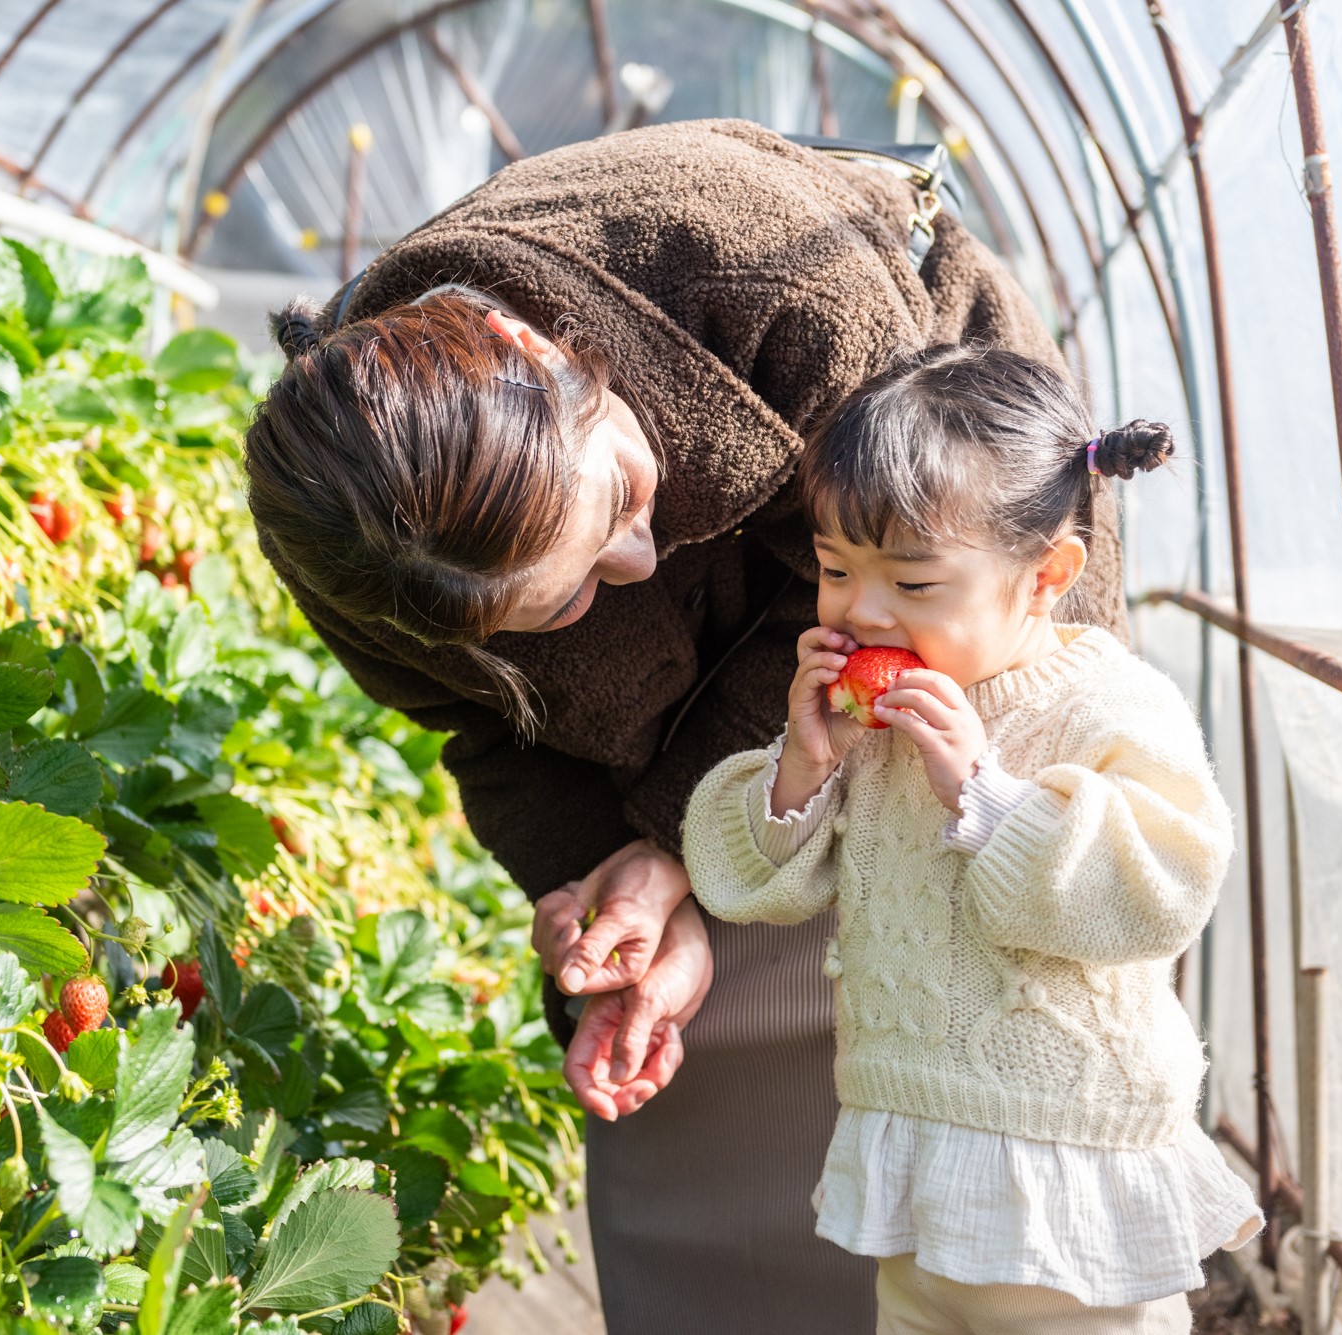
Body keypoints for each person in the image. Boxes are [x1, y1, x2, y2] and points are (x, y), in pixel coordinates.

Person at [245, 119, 1127, 1332]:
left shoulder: (768, 269)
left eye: (615, 498)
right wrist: (605, 877)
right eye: (563, 604)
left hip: (927, 548)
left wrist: (680, 839)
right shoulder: (359, 550)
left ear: (534, 343)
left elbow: (860, 628)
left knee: (940, 956)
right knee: (708, 1057)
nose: (638, 558)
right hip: (731, 737)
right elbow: (491, 737)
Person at [680, 345, 1261, 1335]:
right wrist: (801, 767)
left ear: (1046, 577)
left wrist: (985, 796)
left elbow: (1164, 886)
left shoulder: (1107, 703)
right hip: (918, 1168)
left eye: (913, 583)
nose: (861, 609)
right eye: (834, 569)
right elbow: (748, 880)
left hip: (1071, 1182)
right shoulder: (867, 722)